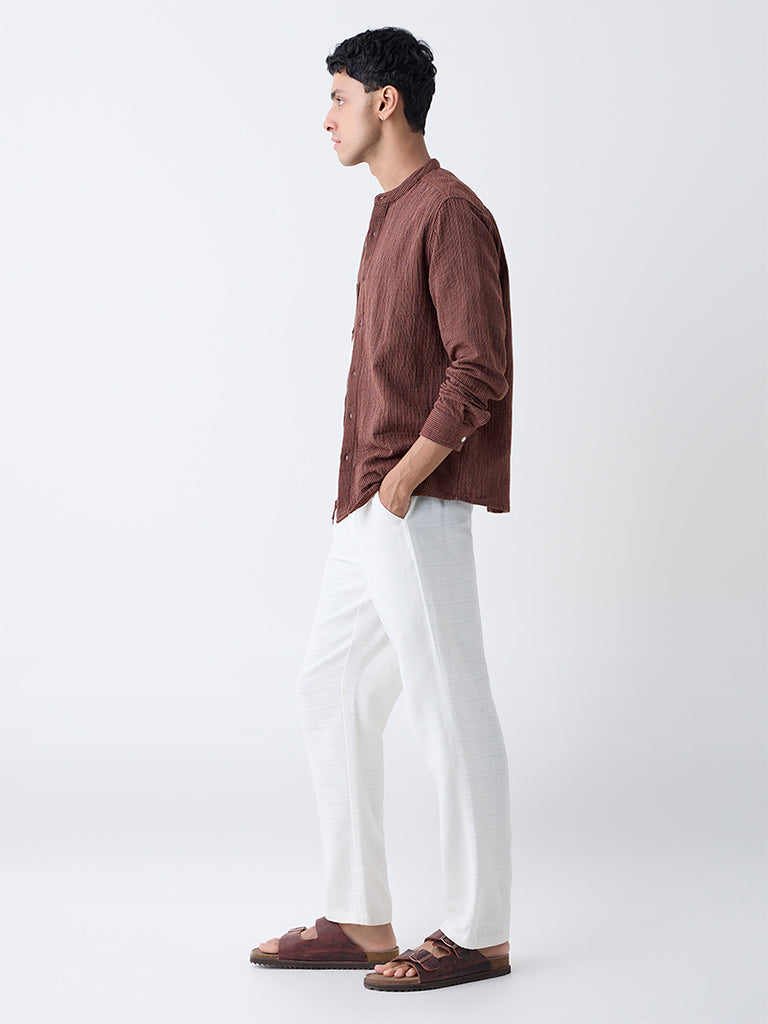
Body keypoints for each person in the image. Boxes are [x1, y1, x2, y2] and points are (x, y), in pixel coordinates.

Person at [250, 25, 514, 993]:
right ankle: (360, 915)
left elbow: (478, 364)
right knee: (331, 688)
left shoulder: (449, 211)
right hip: (368, 501)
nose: (327, 117)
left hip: (415, 497)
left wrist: (406, 479)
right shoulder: (391, 211)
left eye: (337, 96)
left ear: (384, 100)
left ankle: (480, 931)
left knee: (449, 701)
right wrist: (369, 490)